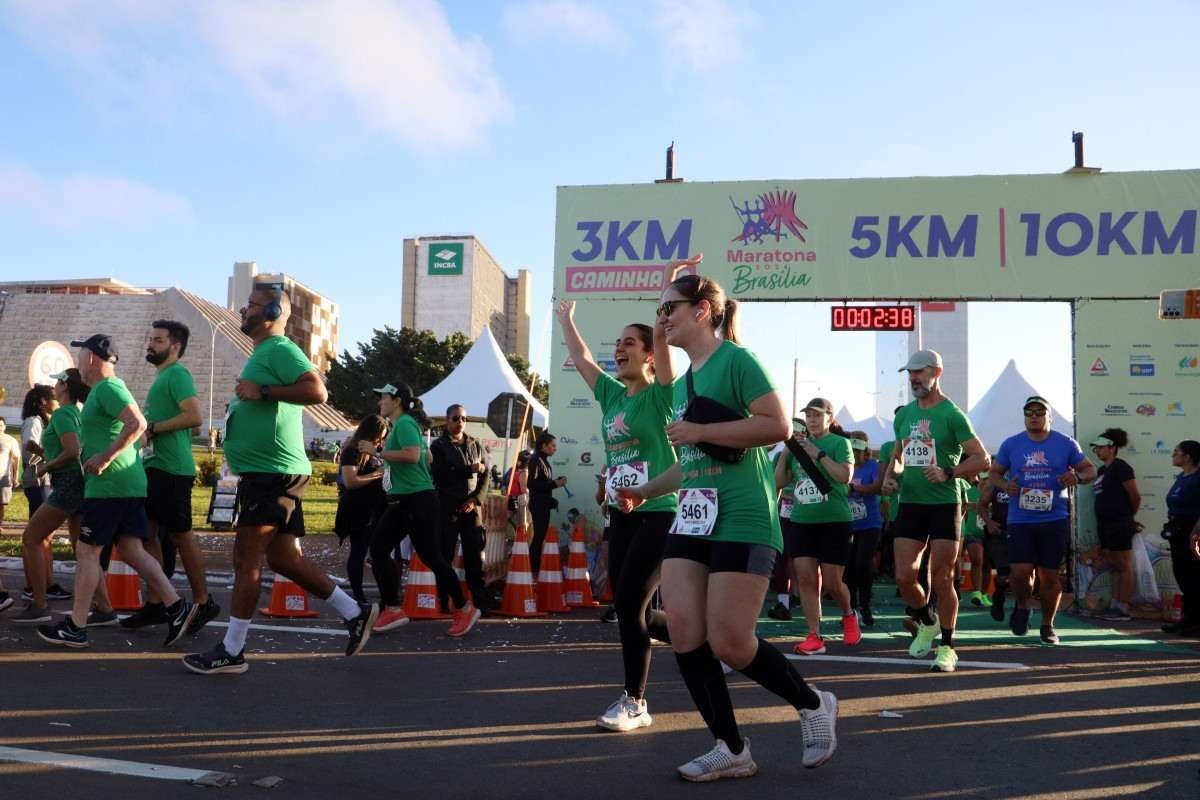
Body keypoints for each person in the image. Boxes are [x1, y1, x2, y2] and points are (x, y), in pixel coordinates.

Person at [617, 267, 837, 781]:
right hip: (693, 520)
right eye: (659, 311)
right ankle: (731, 747)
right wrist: (644, 491)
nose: (662, 319)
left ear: (701, 311)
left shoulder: (737, 361)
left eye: (668, 309)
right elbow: (689, 462)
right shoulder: (685, 381)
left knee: (731, 642)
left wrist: (699, 428)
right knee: (687, 633)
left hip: (743, 518)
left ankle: (812, 703)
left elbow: (777, 425)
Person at [183, 285, 376, 674]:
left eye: (252, 305)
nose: (244, 308)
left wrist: (264, 391)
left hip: (273, 474)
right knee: (283, 558)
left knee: (246, 559)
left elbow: (317, 390)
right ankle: (354, 612)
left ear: (271, 311)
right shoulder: (263, 353)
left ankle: (232, 650)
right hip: (269, 472)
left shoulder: (279, 349)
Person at [556, 293, 679, 733]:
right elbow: (582, 357)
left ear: (650, 355)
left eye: (631, 343)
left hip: (661, 510)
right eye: (618, 343)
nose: (620, 349)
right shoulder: (612, 396)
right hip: (622, 515)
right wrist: (566, 320)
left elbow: (663, 342)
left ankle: (636, 701)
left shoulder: (663, 395)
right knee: (635, 611)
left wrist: (664, 299)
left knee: (629, 604)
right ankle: (698, 637)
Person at [36, 335, 197, 648]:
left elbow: (136, 424)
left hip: (110, 485)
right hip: (125, 482)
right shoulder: (106, 390)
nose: (76, 363)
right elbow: (136, 435)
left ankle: (76, 625)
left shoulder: (108, 388)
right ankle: (177, 608)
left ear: (93, 358)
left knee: (87, 550)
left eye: (79, 356)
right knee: (132, 550)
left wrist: (105, 456)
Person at [881, 349, 990, 673]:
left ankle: (947, 646)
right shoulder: (903, 416)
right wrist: (890, 476)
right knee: (903, 576)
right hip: (911, 502)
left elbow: (982, 459)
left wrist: (948, 471)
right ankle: (927, 620)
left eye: (920, 372)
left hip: (944, 503)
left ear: (936, 373)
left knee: (942, 578)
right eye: (910, 373)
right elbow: (898, 457)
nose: (914, 378)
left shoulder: (953, 415)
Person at [122, 320, 219, 634]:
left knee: (180, 534)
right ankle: (155, 603)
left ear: (174, 346)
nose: (150, 344)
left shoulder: (177, 374)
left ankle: (204, 602)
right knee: (147, 535)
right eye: (151, 338)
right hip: (154, 466)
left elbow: (195, 418)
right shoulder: (162, 377)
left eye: (158, 340)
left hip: (172, 469)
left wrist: (153, 428)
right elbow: (186, 424)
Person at [367, 382, 480, 637]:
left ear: (396, 401)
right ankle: (461, 608)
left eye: (383, 398)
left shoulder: (405, 423)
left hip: (415, 499)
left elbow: (412, 455)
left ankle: (396, 608)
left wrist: (377, 451)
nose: (379, 403)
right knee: (426, 556)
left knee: (383, 549)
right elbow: (427, 458)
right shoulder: (408, 425)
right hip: (413, 498)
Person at [990, 395, 1094, 645]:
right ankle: (1023, 606)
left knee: (1049, 575)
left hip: (1054, 518)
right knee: (1020, 573)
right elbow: (994, 474)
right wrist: (1006, 485)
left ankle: (1048, 625)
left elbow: (1090, 470)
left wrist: (1076, 479)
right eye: (1029, 412)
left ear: (1049, 416)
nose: (1034, 416)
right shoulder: (1011, 444)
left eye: (1039, 412)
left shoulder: (1066, 444)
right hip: (1020, 518)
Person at [777, 398, 859, 655]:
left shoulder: (840, 443)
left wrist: (818, 454)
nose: (812, 419)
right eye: (808, 415)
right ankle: (814, 636)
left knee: (834, 582)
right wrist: (787, 454)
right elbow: (778, 481)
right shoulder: (796, 446)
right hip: (802, 520)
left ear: (829, 418)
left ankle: (848, 614)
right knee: (805, 579)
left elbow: (843, 476)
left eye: (817, 415)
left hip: (835, 520)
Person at [431, 404, 493, 612]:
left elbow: (486, 476)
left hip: (471, 506)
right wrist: (468, 469)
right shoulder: (438, 446)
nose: (460, 422)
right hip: (448, 506)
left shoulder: (475, 444)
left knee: (474, 555)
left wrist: (475, 500)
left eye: (464, 419)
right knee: (445, 553)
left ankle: (479, 600)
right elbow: (439, 475)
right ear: (447, 421)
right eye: (456, 418)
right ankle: (444, 599)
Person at [16, 386, 70, 604]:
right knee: (38, 535)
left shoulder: (44, 421)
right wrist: (48, 463)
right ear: (42, 402)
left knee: (44, 536)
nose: (57, 402)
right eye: (53, 398)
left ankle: (47, 582)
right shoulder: (33, 422)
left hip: (44, 481)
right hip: (38, 482)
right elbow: (29, 451)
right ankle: (37, 585)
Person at [334, 414, 389, 603]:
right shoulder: (352, 451)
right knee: (359, 550)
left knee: (379, 551)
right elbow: (350, 482)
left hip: (378, 507)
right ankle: (358, 596)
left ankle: (387, 595)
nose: (380, 440)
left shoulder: (378, 450)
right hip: (359, 509)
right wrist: (377, 474)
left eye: (383, 437)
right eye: (378, 436)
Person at [1089, 428, 1140, 622]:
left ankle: (1123, 607)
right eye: (1096, 449)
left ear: (1113, 448)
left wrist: (1128, 517)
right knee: (1115, 565)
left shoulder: (1122, 467)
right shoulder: (1102, 470)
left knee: (1124, 564)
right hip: (1105, 525)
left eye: (1101, 448)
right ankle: (1114, 605)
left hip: (1119, 523)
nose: (1098, 452)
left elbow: (1135, 496)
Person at [1162, 440, 1200, 637]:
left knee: (1194, 576)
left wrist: (1196, 532)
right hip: (1177, 532)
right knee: (1183, 575)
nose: (1173, 455)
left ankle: (1195, 622)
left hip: (1193, 533)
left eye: (1176, 452)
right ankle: (1188, 620)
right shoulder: (1182, 477)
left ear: (1187, 457)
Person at [846, 431, 883, 626]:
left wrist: (854, 489)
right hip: (848, 524)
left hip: (870, 523)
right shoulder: (845, 466)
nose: (855, 454)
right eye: (852, 450)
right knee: (849, 567)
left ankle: (866, 606)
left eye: (858, 451)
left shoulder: (873, 466)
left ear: (866, 451)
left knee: (863, 563)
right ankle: (851, 609)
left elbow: (877, 487)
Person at [528, 431, 567, 576]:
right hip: (538, 505)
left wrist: (555, 482)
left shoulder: (544, 461)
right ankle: (534, 570)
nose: (555, 449)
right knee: (538, 537)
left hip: (543, 504)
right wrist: (554, 484)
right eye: (552, 446)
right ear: (543, 446)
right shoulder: (535, 459)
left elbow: (543, 483)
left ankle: (535, 569)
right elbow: (531, 484)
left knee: (540, 537)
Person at [978, 458, 1012, 621]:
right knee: (1003, 575)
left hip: (1024, 531)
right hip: (1001, 532)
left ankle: (1022, 610)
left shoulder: (1029, 479)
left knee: (1025, 574)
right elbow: (981, 505)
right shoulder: (994, 483)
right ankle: (998, 596)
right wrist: (989, 523)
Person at [959, 473, 990, 607]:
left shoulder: (994, 492)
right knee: (977, 560)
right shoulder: (969, 491)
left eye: (989, 480)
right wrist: (977, 506)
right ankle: (976, 592)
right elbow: (961, 506)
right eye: (984, 479)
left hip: (989, 532)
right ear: (979, 479)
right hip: (972, 531)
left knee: (987, 565)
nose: (986, 482)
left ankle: (983, 594)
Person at [0, 417, 18, 530]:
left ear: (5, 427)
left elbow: (16, 459)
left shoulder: (10, 440)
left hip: (3, 476)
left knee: (1, 504)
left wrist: (15, 477)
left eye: (1, 425)